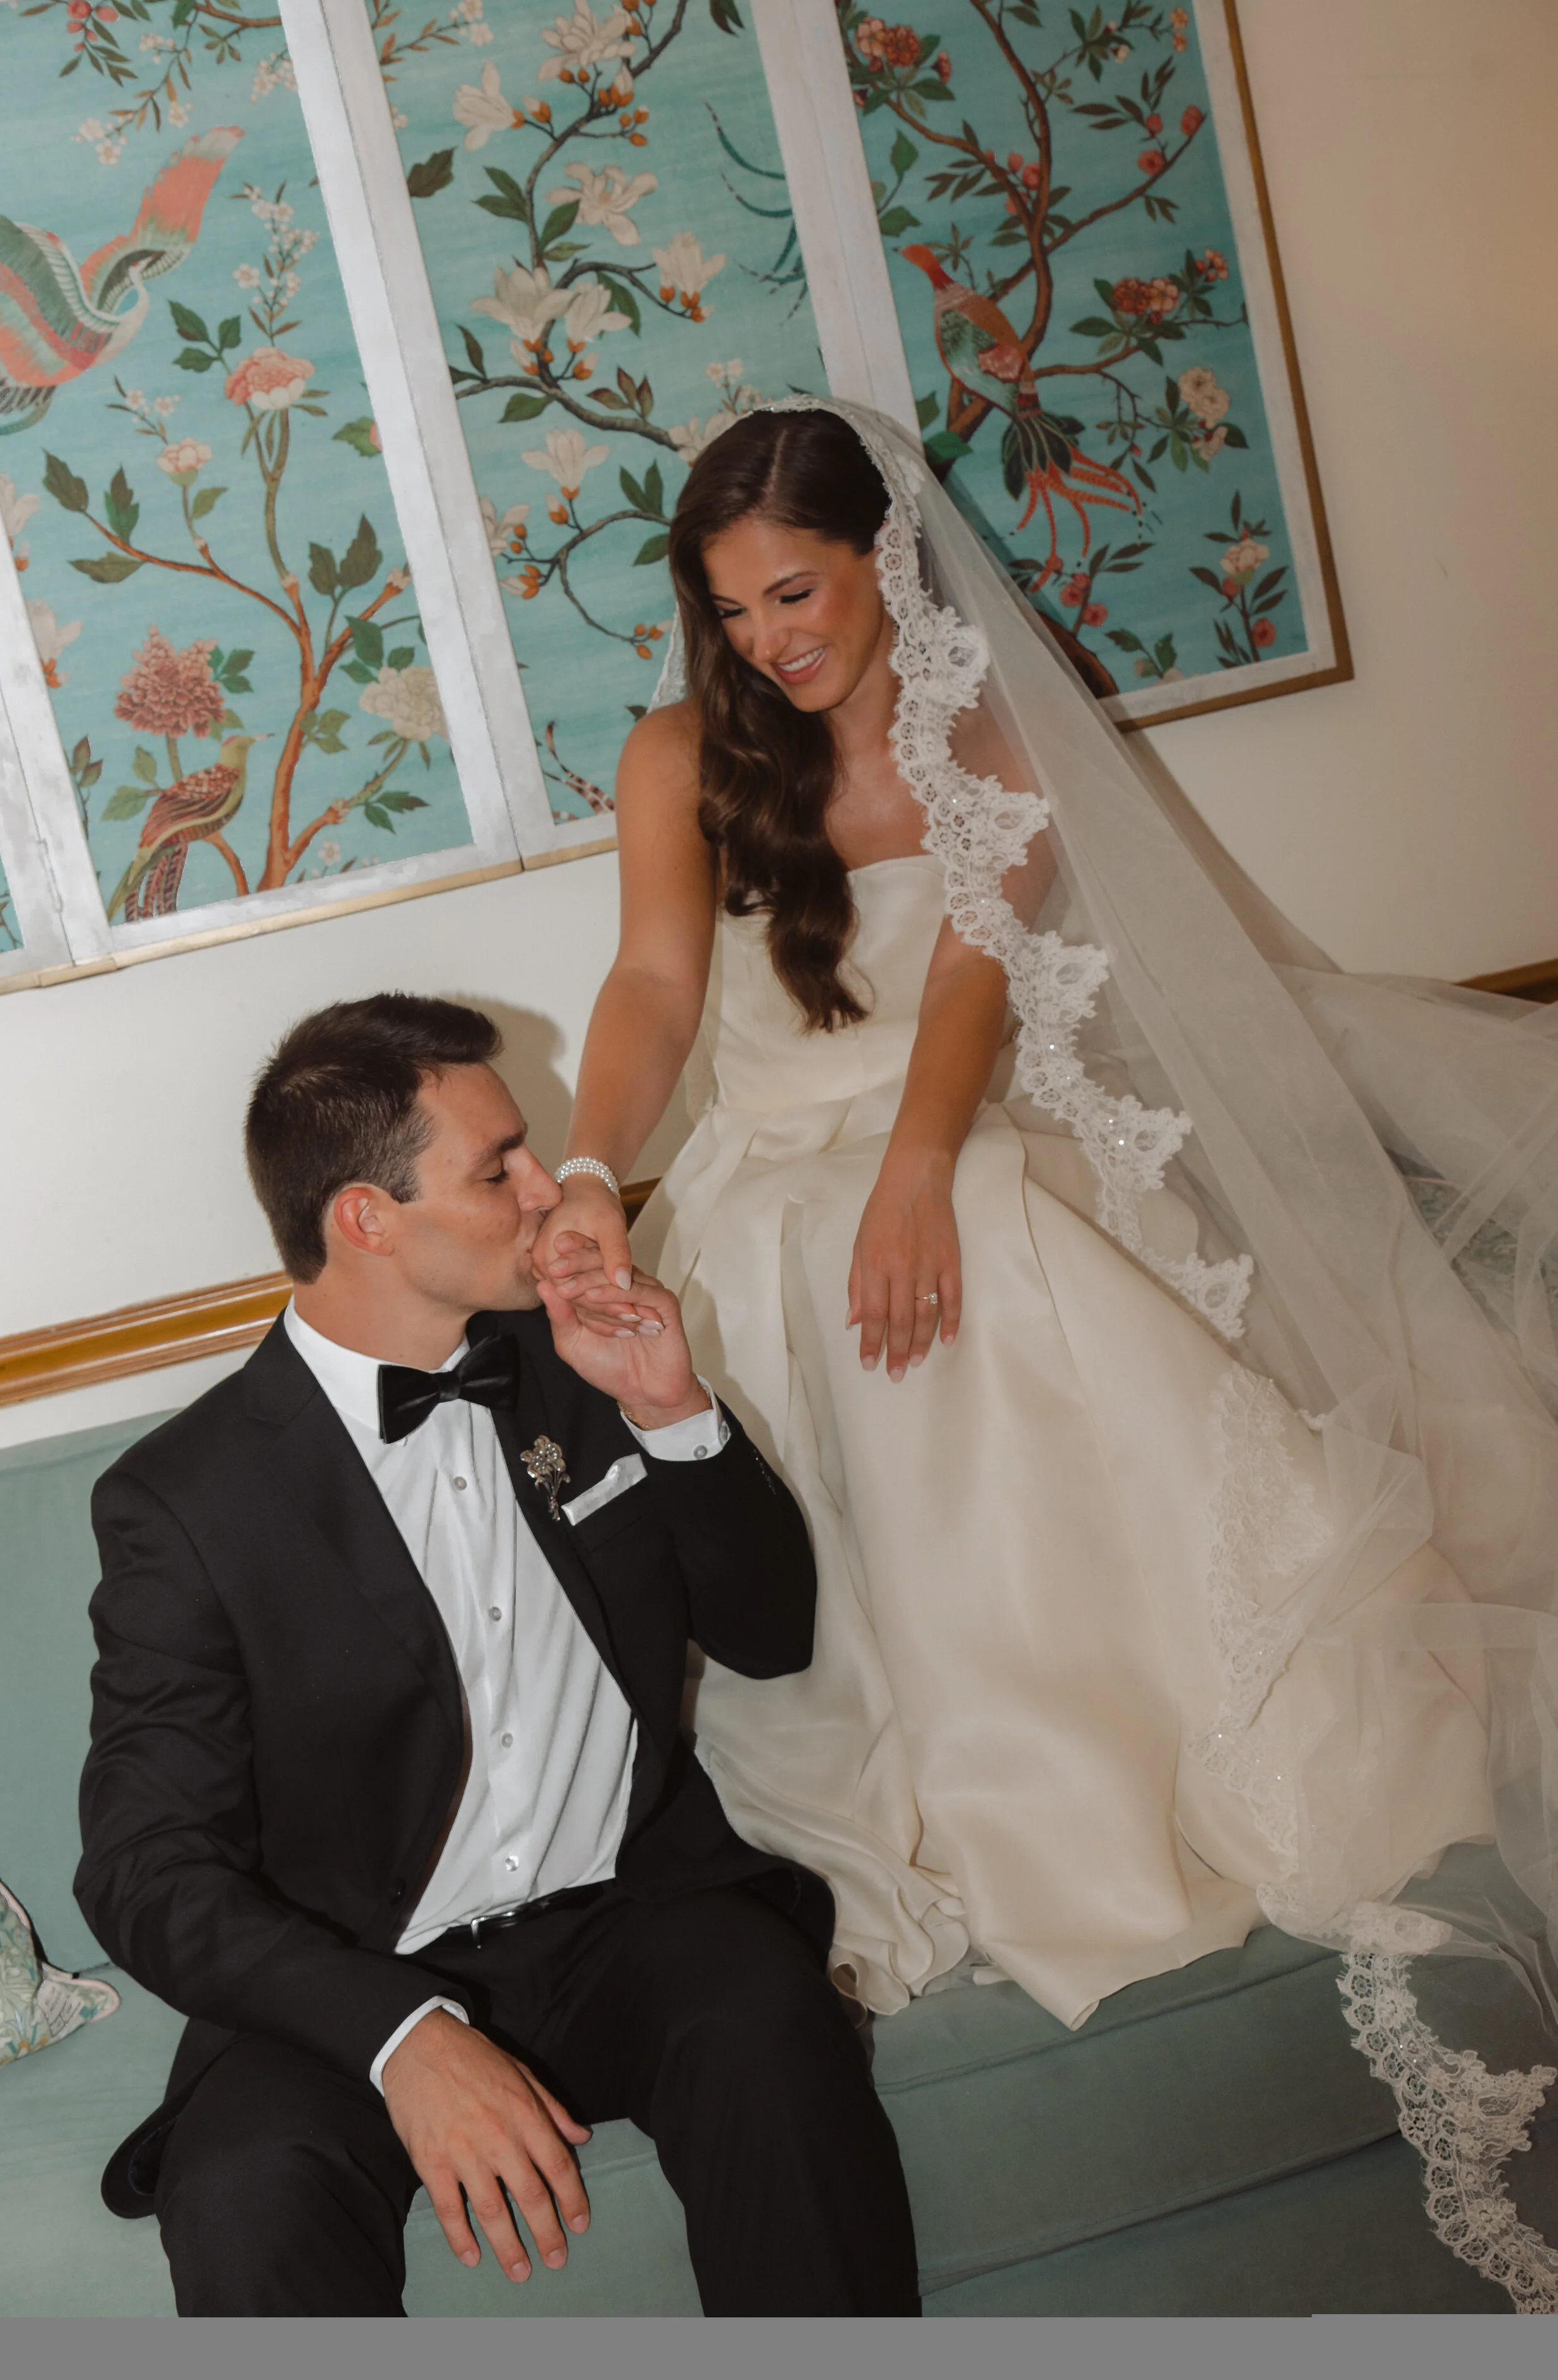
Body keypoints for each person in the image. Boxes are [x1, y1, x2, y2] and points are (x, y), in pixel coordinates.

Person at [542, 399, 1558, 2302]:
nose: (772, 634)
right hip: (764, 1162)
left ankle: (1093, 1745)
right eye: (735, 606)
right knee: (783, 1257)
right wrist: (595, 1165)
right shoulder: (679, 755)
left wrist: (921, 1168)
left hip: (954, 1130)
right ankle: (924, 1772)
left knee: (983, 1238)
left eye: (799, 588)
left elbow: (972, 979)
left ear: (876, 563)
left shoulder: (981, 727)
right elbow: (656, 982)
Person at [74, 992, 919, 2319]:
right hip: (357, 1965)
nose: (554, 1188)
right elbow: (143, 1869)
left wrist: (673, 1413)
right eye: (499, 1168)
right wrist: (403, 2037)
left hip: (628, 1922)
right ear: (367, 1217)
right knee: (246, 2189)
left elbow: (767, 1638)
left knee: (768, 2019)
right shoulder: (185, 1501)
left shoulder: (579, 1358)